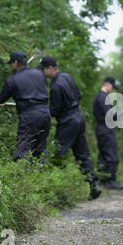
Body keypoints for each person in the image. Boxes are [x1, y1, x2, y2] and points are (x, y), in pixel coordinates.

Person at [39, 56, 101, 200]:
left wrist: (44, 109)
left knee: (58, 154)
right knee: (82, 154)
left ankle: (56, 191)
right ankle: (94, 185)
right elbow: (78, 95)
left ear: (50, 68)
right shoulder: (67, 77)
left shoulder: (55, 86)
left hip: (67, 122)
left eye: (44, 69)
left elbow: (54, 110)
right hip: (79, 118)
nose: (43, 73)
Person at [0, 51, 51, 162]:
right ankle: (39, 174)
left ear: (16, 62)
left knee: (23, 149)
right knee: (40, 150)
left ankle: (19, 174)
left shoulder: (13, 80)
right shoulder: (39, 74)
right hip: (45, 113)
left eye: (11, 63)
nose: (11, 66)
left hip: (29, 115)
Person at [93, 77, 123, 190]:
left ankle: (103, 180)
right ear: (108, 84)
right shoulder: (102, 97)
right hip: (106, 130)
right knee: (112, 156)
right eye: (113, 87)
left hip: (102, 129)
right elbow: (110, 115)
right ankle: (111, 181)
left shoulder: (99, 97)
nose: (113, 89)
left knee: (103, 155)